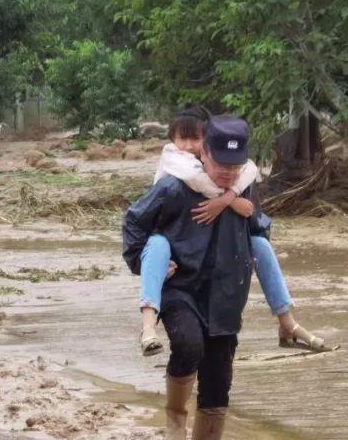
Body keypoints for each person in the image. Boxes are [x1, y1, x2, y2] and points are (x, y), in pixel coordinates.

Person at [123, 115, 268, 440]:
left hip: (226, 294)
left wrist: (241, 214)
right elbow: (134, 221)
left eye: (235, 167)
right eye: (220, 165)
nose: (228, 173)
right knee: (188, 345)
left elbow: (260, 229)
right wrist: (146, 263)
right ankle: (175, 424)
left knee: (219, 378)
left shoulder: (244, 188)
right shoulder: (174, 187)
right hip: (181, 287)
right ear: (204, 154)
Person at [137, 107, 328, 355]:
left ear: (206, 143)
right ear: (172, 139)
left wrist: (232, 199)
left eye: (195, 139)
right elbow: (197, 182)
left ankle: (287, 321)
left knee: (260, 245)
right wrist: (230, 199)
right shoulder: (174, 166)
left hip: (217, 263)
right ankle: (148, 325)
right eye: (182, 138)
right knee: (157, 245)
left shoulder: (229, 170)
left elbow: (249, 178)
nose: (188, 146)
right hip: (175, 251)